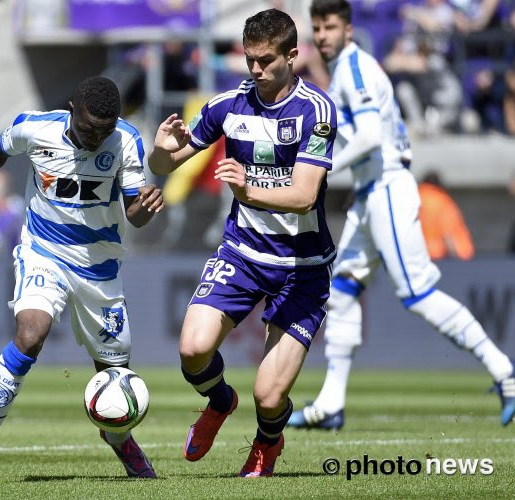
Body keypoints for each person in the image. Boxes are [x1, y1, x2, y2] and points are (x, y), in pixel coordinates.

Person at [288, 0, 514, 431]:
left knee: (418, 293)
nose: (322, 35)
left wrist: (322, 169)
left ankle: (504, 370)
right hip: (370, 191)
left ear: (349, 30)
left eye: (329, 26)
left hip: (387, 186)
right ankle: (331, 404)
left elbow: (371, 137)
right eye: (316, 27)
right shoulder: (343, 71)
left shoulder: (355, 68)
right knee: (342, 289)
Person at [0, 76, 164, 483]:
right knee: (30, 333)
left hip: (100, 268)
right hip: (44, 253)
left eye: (105, 129)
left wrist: (148, 207)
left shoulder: (126, 141)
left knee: (113, 374)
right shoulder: (35, 127)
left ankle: (119, 439)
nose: (97, 137)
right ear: (73, 109)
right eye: (89, 127)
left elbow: (134, 213)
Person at [149, 9, 337, 477]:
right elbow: (166, 166)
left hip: (302, 265)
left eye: (266, 60)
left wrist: (247, 188)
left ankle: (267, 443)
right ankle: (219, 401)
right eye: (250, 59)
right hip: (242, 254)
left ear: (293, 55)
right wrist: (159, 147)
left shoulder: (317, 111)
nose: (255, 69)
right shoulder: (226, 106)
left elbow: (304, 194)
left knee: (270, 396)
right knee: (193, 349)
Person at [417, 170, 474, 260]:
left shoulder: (414, 200)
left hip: (419, 254)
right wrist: (455, 256)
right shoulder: (442, 201)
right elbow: (447, 231)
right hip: (441, 254)